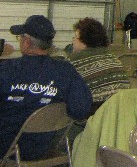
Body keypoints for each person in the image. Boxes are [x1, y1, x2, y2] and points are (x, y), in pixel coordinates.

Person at [0, 15, 92, 160]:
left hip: (7, 149)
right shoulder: (66, 71)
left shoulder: (6, 70)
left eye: (20, 38)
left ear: (27, 42)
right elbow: (80, 110)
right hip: (48, 148)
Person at [69, 17, 129, 113]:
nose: (73, 41)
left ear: (84, 41)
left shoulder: (75, 62)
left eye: (75, 37)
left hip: (93, 116)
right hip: (121, 113)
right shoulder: (114, 59)